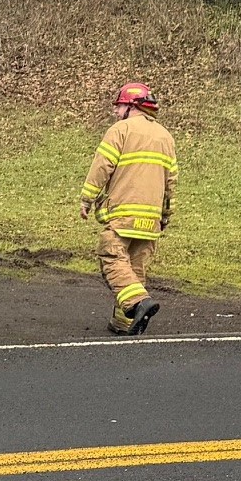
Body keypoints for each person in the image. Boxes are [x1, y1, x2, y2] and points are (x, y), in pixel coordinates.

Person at [79, 82, 177, 335]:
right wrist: (165, 215)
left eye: (119, 105)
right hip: (151, 218)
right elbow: (171, 182)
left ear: (132, 106)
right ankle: (124, 324)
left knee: (111, 256)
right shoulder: (165, 136)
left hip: (124, 213)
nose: (115, 111)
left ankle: (138, 303)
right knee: (134, 270)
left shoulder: (120, 130)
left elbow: (102, 166)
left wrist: (87, 199)